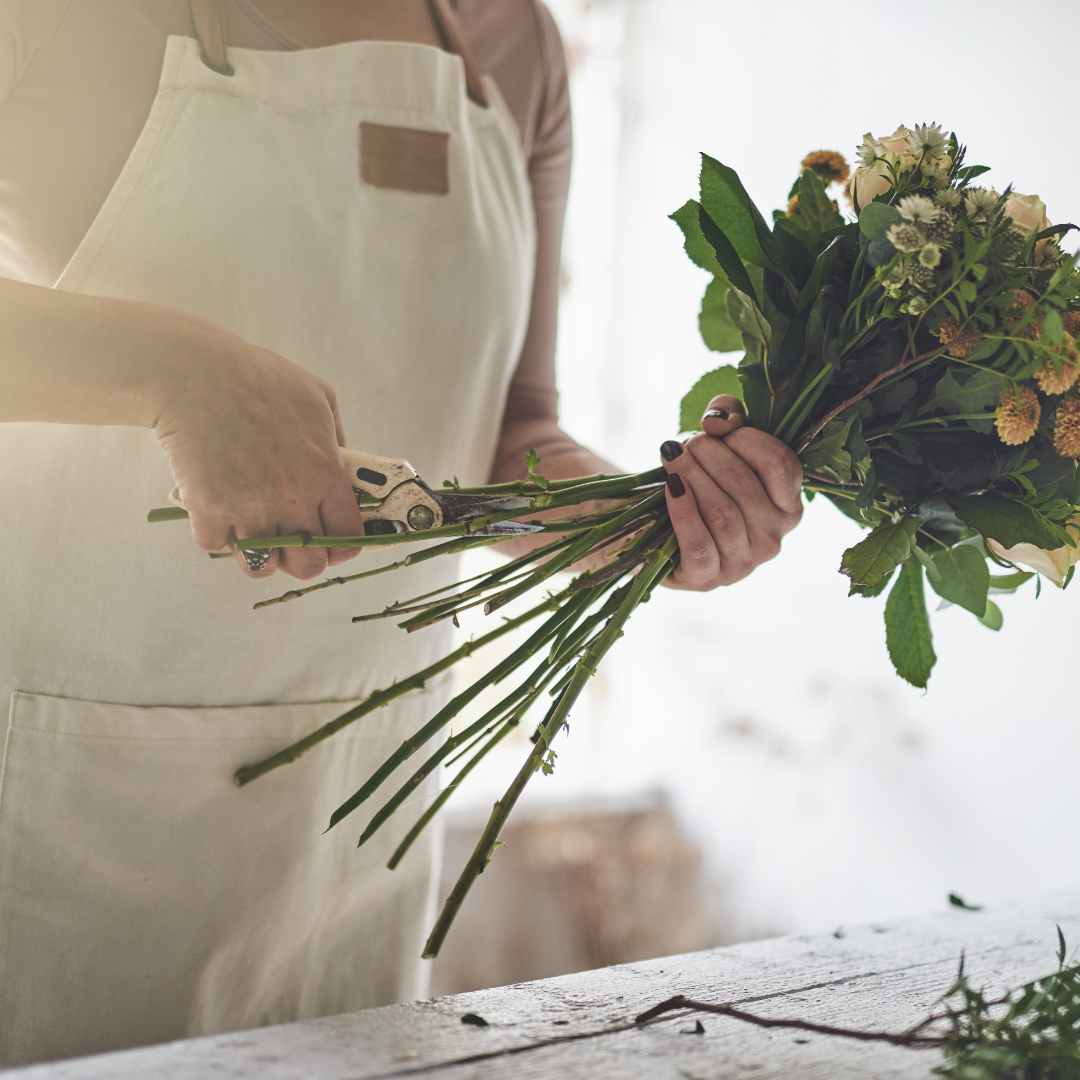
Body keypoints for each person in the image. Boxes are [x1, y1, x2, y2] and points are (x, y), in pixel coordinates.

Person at [0, 0, 803, 1067]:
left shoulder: (512, 42)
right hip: (58, 814)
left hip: (353, 839)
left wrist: (647, 527)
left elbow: (514, 430)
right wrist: (175, 371)